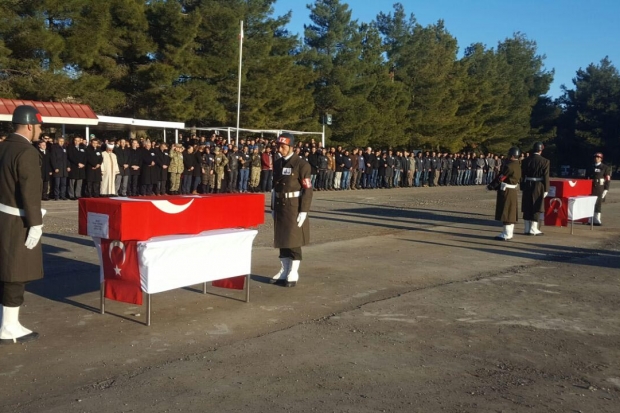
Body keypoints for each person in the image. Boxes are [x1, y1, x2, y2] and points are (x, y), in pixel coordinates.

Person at [0, 105, 45, 344]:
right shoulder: (26, 152)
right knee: (15, 273)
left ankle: (6, 322)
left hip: (2, 216)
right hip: (17, 220)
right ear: (30, 125)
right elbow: (30, 192)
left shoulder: (3, 147)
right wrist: (35, 224)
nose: (39, 131)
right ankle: (9, 326)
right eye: (39, 126)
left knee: (4, 271)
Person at [270, 133, 313, 287]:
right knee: (282, 239)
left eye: (283, 146)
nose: (280, 149)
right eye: (278, 146)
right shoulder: (278, 163)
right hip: (281, 204)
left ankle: (293, 272)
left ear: (291, 147)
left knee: (293, 240)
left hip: (294, 206)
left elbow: (307, 189)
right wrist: (272, 206)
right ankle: (284, 270)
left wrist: (304, 211)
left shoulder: (302, 165)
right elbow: (274, 187)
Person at [488, 147, 522, 241]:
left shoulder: (509, 166)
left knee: (506, 212)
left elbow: (501, 177)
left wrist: (491, 186)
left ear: (511, 155)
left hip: (506, 190)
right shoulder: (518, 165)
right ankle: (509, 232)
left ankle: (506, 234)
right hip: (513, 190)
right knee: (510, 212)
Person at [521, 142, 550, 235]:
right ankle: (533, 229)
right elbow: (546, 177)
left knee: (527, 205)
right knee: (536, 205)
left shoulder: (525, 160)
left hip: (527, 184)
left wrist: (522, 186)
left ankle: (526, 228)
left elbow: (522, 175)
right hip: (538, 185)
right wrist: (546, 189)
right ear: (541, 150)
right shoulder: (545, 161)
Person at [589, 152, 611, 226]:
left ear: (601, 159)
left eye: (598, 157)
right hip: (590, 187)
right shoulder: (591, 167)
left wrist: (606, 189)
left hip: (599, 188)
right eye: (595, 157)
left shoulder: (605, 167)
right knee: (590, 203)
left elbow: (607, 178)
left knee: (598, 204)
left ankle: (597, 219)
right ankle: (590, 219)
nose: (596, 158)